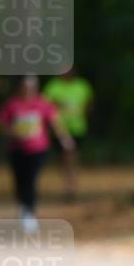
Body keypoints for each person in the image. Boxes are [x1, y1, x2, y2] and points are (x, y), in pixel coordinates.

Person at [0, 74, 75, 232]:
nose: (28, 89)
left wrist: (65, 139)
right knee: (20, 181)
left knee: (31, 180)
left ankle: (29, 212)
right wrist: (11, 131)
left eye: (32, 86)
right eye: (25, 86)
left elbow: (55, 122)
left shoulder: (42, 104)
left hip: (37, 149)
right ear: (20, 87)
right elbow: (1, 123)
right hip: (17, 149)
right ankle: (22, 206)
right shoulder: (12, 104)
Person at [43, 70, 94, 200]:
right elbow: (46, 107)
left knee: (71, 155)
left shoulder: (82, 86)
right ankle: (69, 182)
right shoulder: (53, 86)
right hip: (59, 129)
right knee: (65, 156)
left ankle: (70, 184)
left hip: (78, 128)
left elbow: (89, 103)